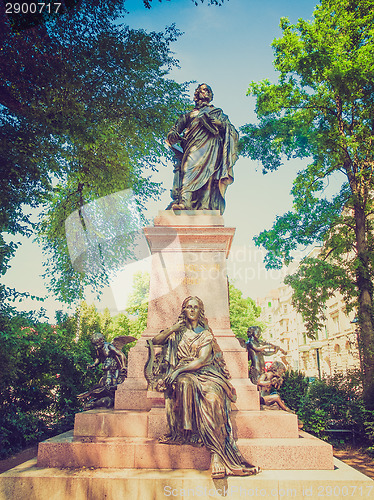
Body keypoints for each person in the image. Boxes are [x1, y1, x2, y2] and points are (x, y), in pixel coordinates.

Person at [152, 296, 260, 479]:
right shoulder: (177, 332)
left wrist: (178, 371)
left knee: (213, 398)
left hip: (206, 372)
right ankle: (188, 432)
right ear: (184, 310)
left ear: (200, 311)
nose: (192, 310)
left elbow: (202, 360)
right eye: (188, 307)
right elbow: (156, 341)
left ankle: (216, 454)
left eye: (196, 307)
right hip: (185, 374)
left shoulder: (205, 334)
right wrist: (172, 329)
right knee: (185, 383)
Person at [166, 83, 239, 214]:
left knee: (209, 176)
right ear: (197, 94)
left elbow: (233, 132)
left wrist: (221, 124)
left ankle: (205, 206)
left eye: (208, 91)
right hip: (192, 147)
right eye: (203, 90)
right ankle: (184, 202)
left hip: (212, 147)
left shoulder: (218, 113)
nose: (206, 92)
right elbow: (173, 131)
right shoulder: (189, 115)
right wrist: (173, 135)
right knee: (188, 170)